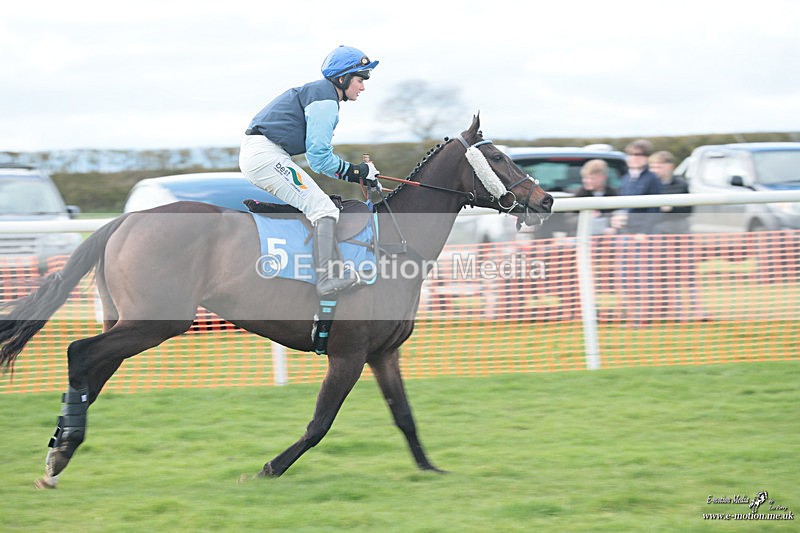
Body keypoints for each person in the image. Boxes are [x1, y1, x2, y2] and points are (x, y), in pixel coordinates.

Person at [239, 45, 380, 297]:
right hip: (265, 155)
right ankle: (325, 280)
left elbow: (319, 159)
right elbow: (319, 159)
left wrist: (356, 173)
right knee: (323, 209)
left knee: (317, 205)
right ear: (342, 78)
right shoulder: (325, 99)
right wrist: (358, 172)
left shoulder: (322, 94)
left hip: (265, 153)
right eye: (360, 79)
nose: (363, 87)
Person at [611, 140, 662, 326]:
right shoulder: (625, 179)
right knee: (624, 275)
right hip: (625, 233)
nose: (634, 158)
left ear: (646, 158)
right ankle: (630, 313)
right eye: (631, 154)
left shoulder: (652, 179)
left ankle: (643, 315)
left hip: (642, 236)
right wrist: (616, 221)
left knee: (642, 276)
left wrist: (644, 232)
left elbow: (654, 209)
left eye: (639, 155)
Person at [569, 159, 619, 236]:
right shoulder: (579, 195)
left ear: (603, 178)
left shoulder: (614, 195)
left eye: (592, 178)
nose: (587, 181)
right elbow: (569, 220)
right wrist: (586, 217)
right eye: (585, 178)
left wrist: (614, 228)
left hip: (607, 239)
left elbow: (618, 218)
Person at [649, 150, 691, 234]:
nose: (655, 171)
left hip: (676, 229)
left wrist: (671, 208)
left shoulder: (681, 184)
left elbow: (688, 210)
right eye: (652, 167)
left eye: (659, 167)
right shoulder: (646, 184)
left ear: (671, 167)